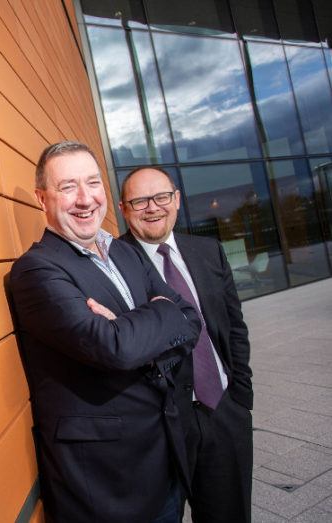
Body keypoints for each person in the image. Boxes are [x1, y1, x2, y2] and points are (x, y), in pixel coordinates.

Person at [9, 141, 201, 522]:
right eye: (67, 187)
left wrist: (133, 326)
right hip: (106, 486)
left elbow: (189, 317)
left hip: (163, 461)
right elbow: (115, 348)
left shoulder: (124, 252)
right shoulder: (36, 272)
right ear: (41, 198)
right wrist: (154, 316)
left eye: (93, 183)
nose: (85, 199)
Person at [118, 166, 253, 522]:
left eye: (161, 197)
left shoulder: (208, 251)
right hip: (160, 427)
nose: (153, 207)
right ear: (123, 208)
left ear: (176, 199)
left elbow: (234, 326)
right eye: (140, 200)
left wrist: (241, 396)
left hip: (223, 410)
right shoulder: (113, 263)